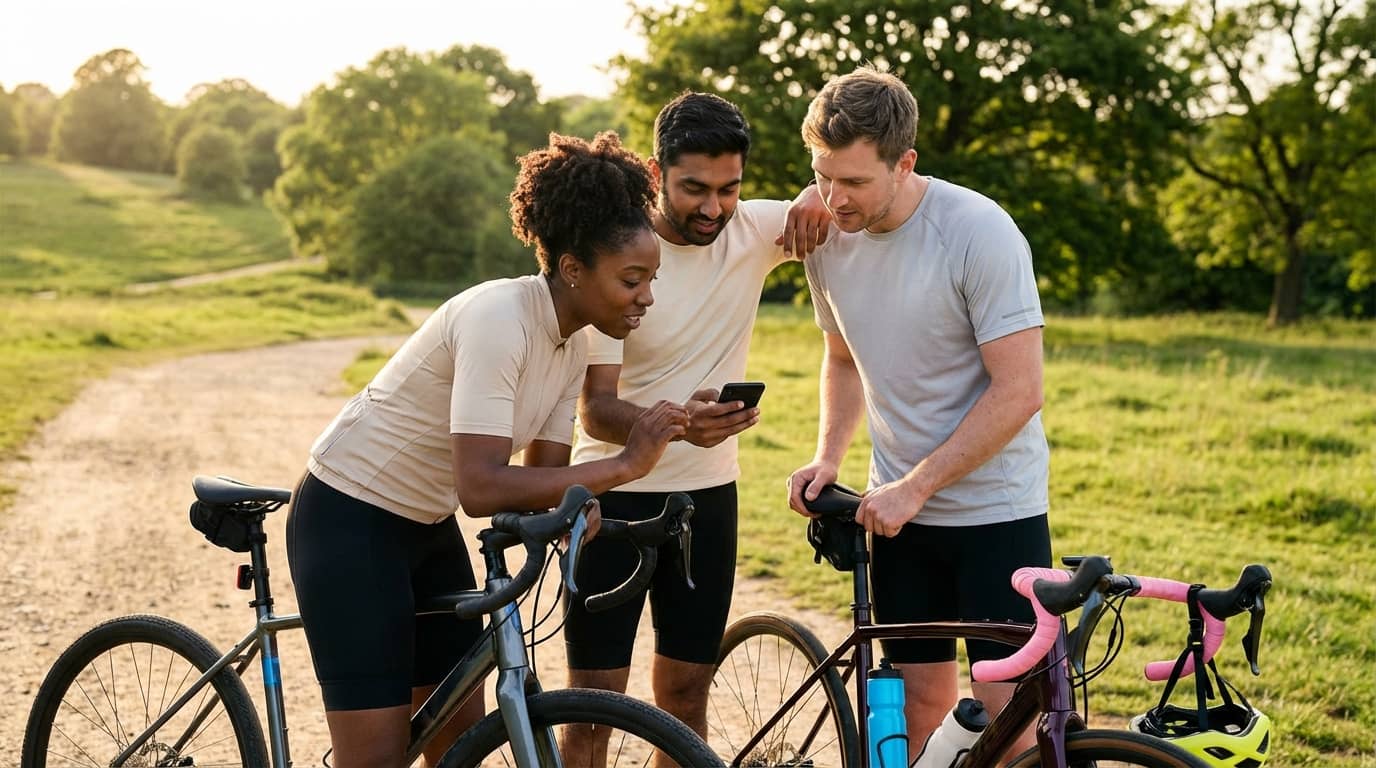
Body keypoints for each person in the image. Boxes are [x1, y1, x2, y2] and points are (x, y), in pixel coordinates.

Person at [285, 132, 689, 768]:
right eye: (632, 279)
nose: (647, 297)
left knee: (457, 745)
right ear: (573, 269)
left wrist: (584, 510)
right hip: (350, 518)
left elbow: (543, 483)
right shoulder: (501, 319)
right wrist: (622, 466)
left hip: (424, 525)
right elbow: (480, 487)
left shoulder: (572, 342)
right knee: (377, 757)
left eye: (652, 279)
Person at [785, 66, 1052, 763]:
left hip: (997, 514)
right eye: (821, 175)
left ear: (905, 163)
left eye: (854, 182)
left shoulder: (979, 233)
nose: (833, 198)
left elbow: (1020, 390)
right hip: (896, 516)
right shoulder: (826, 234)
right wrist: (829, 458)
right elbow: (842, 357)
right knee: (913, 710)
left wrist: (919, 486)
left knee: (1016, 723)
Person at [560, 91, 832, 753]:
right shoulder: (615, 254)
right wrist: (679, 424)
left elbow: (856, 189)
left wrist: (815, 194)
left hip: (707, 501)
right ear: (656, 175)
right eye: (694, 189)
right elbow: (595, 407)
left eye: (729, 188)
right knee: (595, 708)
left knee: (685, 697)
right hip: (611, 498)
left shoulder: (753, 229)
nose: (713, 207)